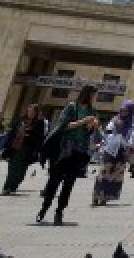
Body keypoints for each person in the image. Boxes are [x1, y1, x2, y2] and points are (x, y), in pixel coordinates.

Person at [38, 85, 99, 225]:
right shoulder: (72, 107)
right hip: (64, 149)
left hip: (79, 151)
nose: (96, 98)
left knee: (69, 183)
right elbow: (64, 125)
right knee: (55, 180)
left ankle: (59, 211)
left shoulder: (92, 111)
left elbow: (89, 133)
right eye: (95, 95)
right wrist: (84, 121)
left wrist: (92, 127)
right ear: (88, 94)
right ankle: (44, 208)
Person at [93, 99, 134, 206]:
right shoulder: (114, 119)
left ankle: (105, 198)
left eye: (126, 111)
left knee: (115, 175)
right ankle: (96, 196)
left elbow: (133, 135)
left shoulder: (133, 122)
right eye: (122, 110)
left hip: (123, 151)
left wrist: (128, 147)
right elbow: (107, 132)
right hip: (110, 149)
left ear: (130, 111)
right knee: (104, 172)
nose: (123, 113)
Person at [1, 104, 46, 195]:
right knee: (13, 166)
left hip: (27, 148)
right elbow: (12, 132)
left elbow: (40, 137)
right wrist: (6, 145)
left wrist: (36, 150)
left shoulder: (39, 122)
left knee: (21, 169)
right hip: (15, 146)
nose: (30, 112)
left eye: (32, 111)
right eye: (29, 110)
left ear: (36, 113)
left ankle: (13, 185)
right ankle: (7, 187)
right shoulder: (20, 119)